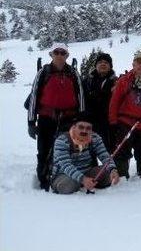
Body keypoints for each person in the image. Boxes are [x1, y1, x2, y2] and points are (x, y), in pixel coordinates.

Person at [27, 43, 85, 190]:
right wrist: (31, 122)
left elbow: (81, 98)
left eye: (63, 53)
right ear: (51, 54)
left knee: (66, 151)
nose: (59, 55)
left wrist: (81, 121)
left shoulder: (73, 73)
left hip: (68, 119)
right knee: (44, 150)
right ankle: (43, 179)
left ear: (67, 55)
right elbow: (34, 97)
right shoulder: (43, 72)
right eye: (56, 52)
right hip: (47, 118)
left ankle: (63, 177)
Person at [108, 48, 141, 179]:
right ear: (133, 64)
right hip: (125, 122)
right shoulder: (124, 80)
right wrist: (113, 122)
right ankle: (121, 176)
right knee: (123, 151)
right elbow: (114, 102)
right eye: (139, 62)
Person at [50, 113, 120, 194]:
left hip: (87, 172)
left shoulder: (95, 138)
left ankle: (87, 183)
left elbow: (104, 156)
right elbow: (65, 165)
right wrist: (83, 179)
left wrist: (113, 170)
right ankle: (83, 183)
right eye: (81, 127)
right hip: (64, 175)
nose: (84, 131)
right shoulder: (62, 141)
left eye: (88, 128)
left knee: (108, 173)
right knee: (68, 185)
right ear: (74, 127)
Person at [82, 52, 117, 152]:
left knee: (109, 151)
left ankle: (109, 168)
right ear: (96, 65)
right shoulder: (87, 81)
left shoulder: (116, 82)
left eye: (106, 62)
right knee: (88, 153)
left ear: (110, 66)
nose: (103, 64)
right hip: (89, 122)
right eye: (100, 62)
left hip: (108, 124)